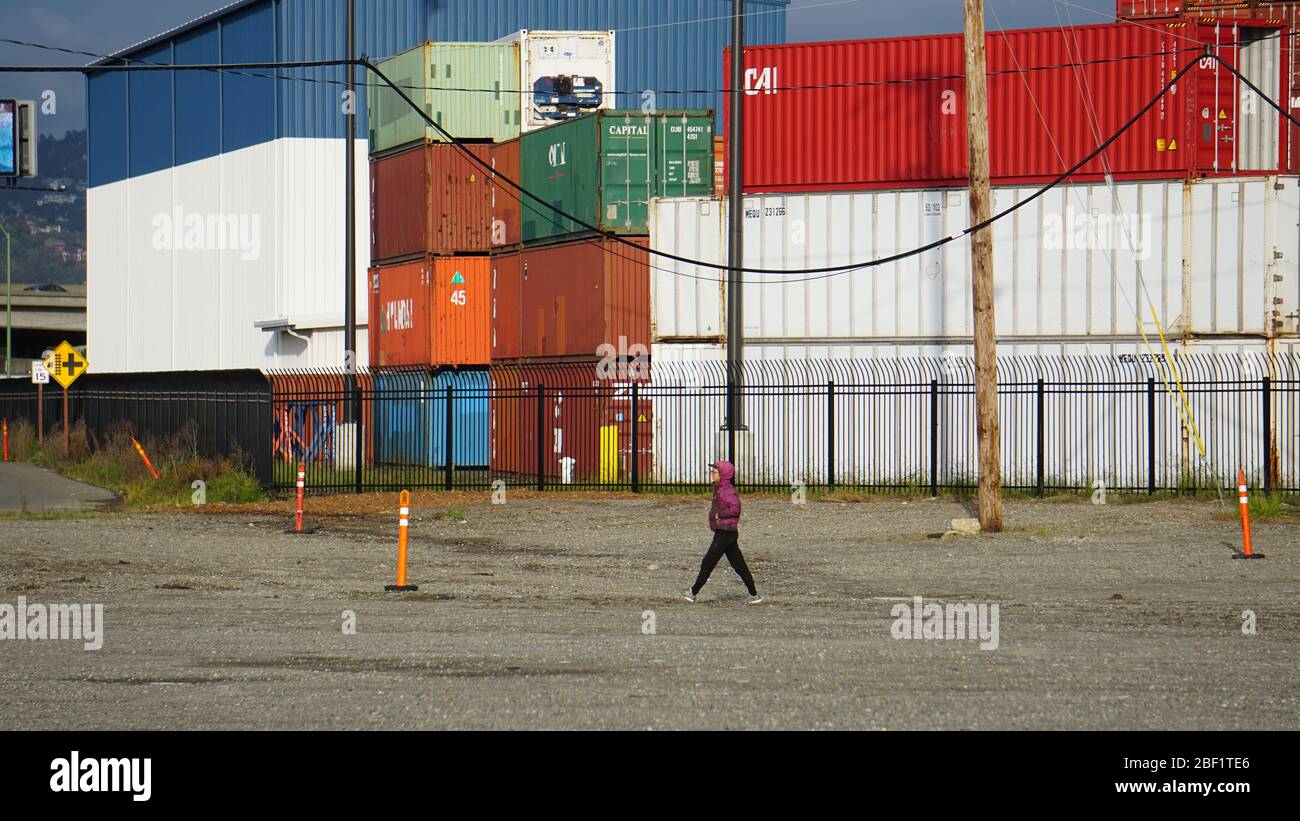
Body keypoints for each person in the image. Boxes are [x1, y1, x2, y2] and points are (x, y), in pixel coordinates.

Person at [685, 460, 762, 604]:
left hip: (725, 533)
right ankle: (754, 594)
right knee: (739, 564)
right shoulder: (720, 488)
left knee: (708, 562)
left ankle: (693, 592)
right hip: (727, 532)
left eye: (714, 472)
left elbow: (736, 509)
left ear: (723, 475)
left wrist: (719, 514)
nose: (711, 474)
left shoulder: (726, 491)